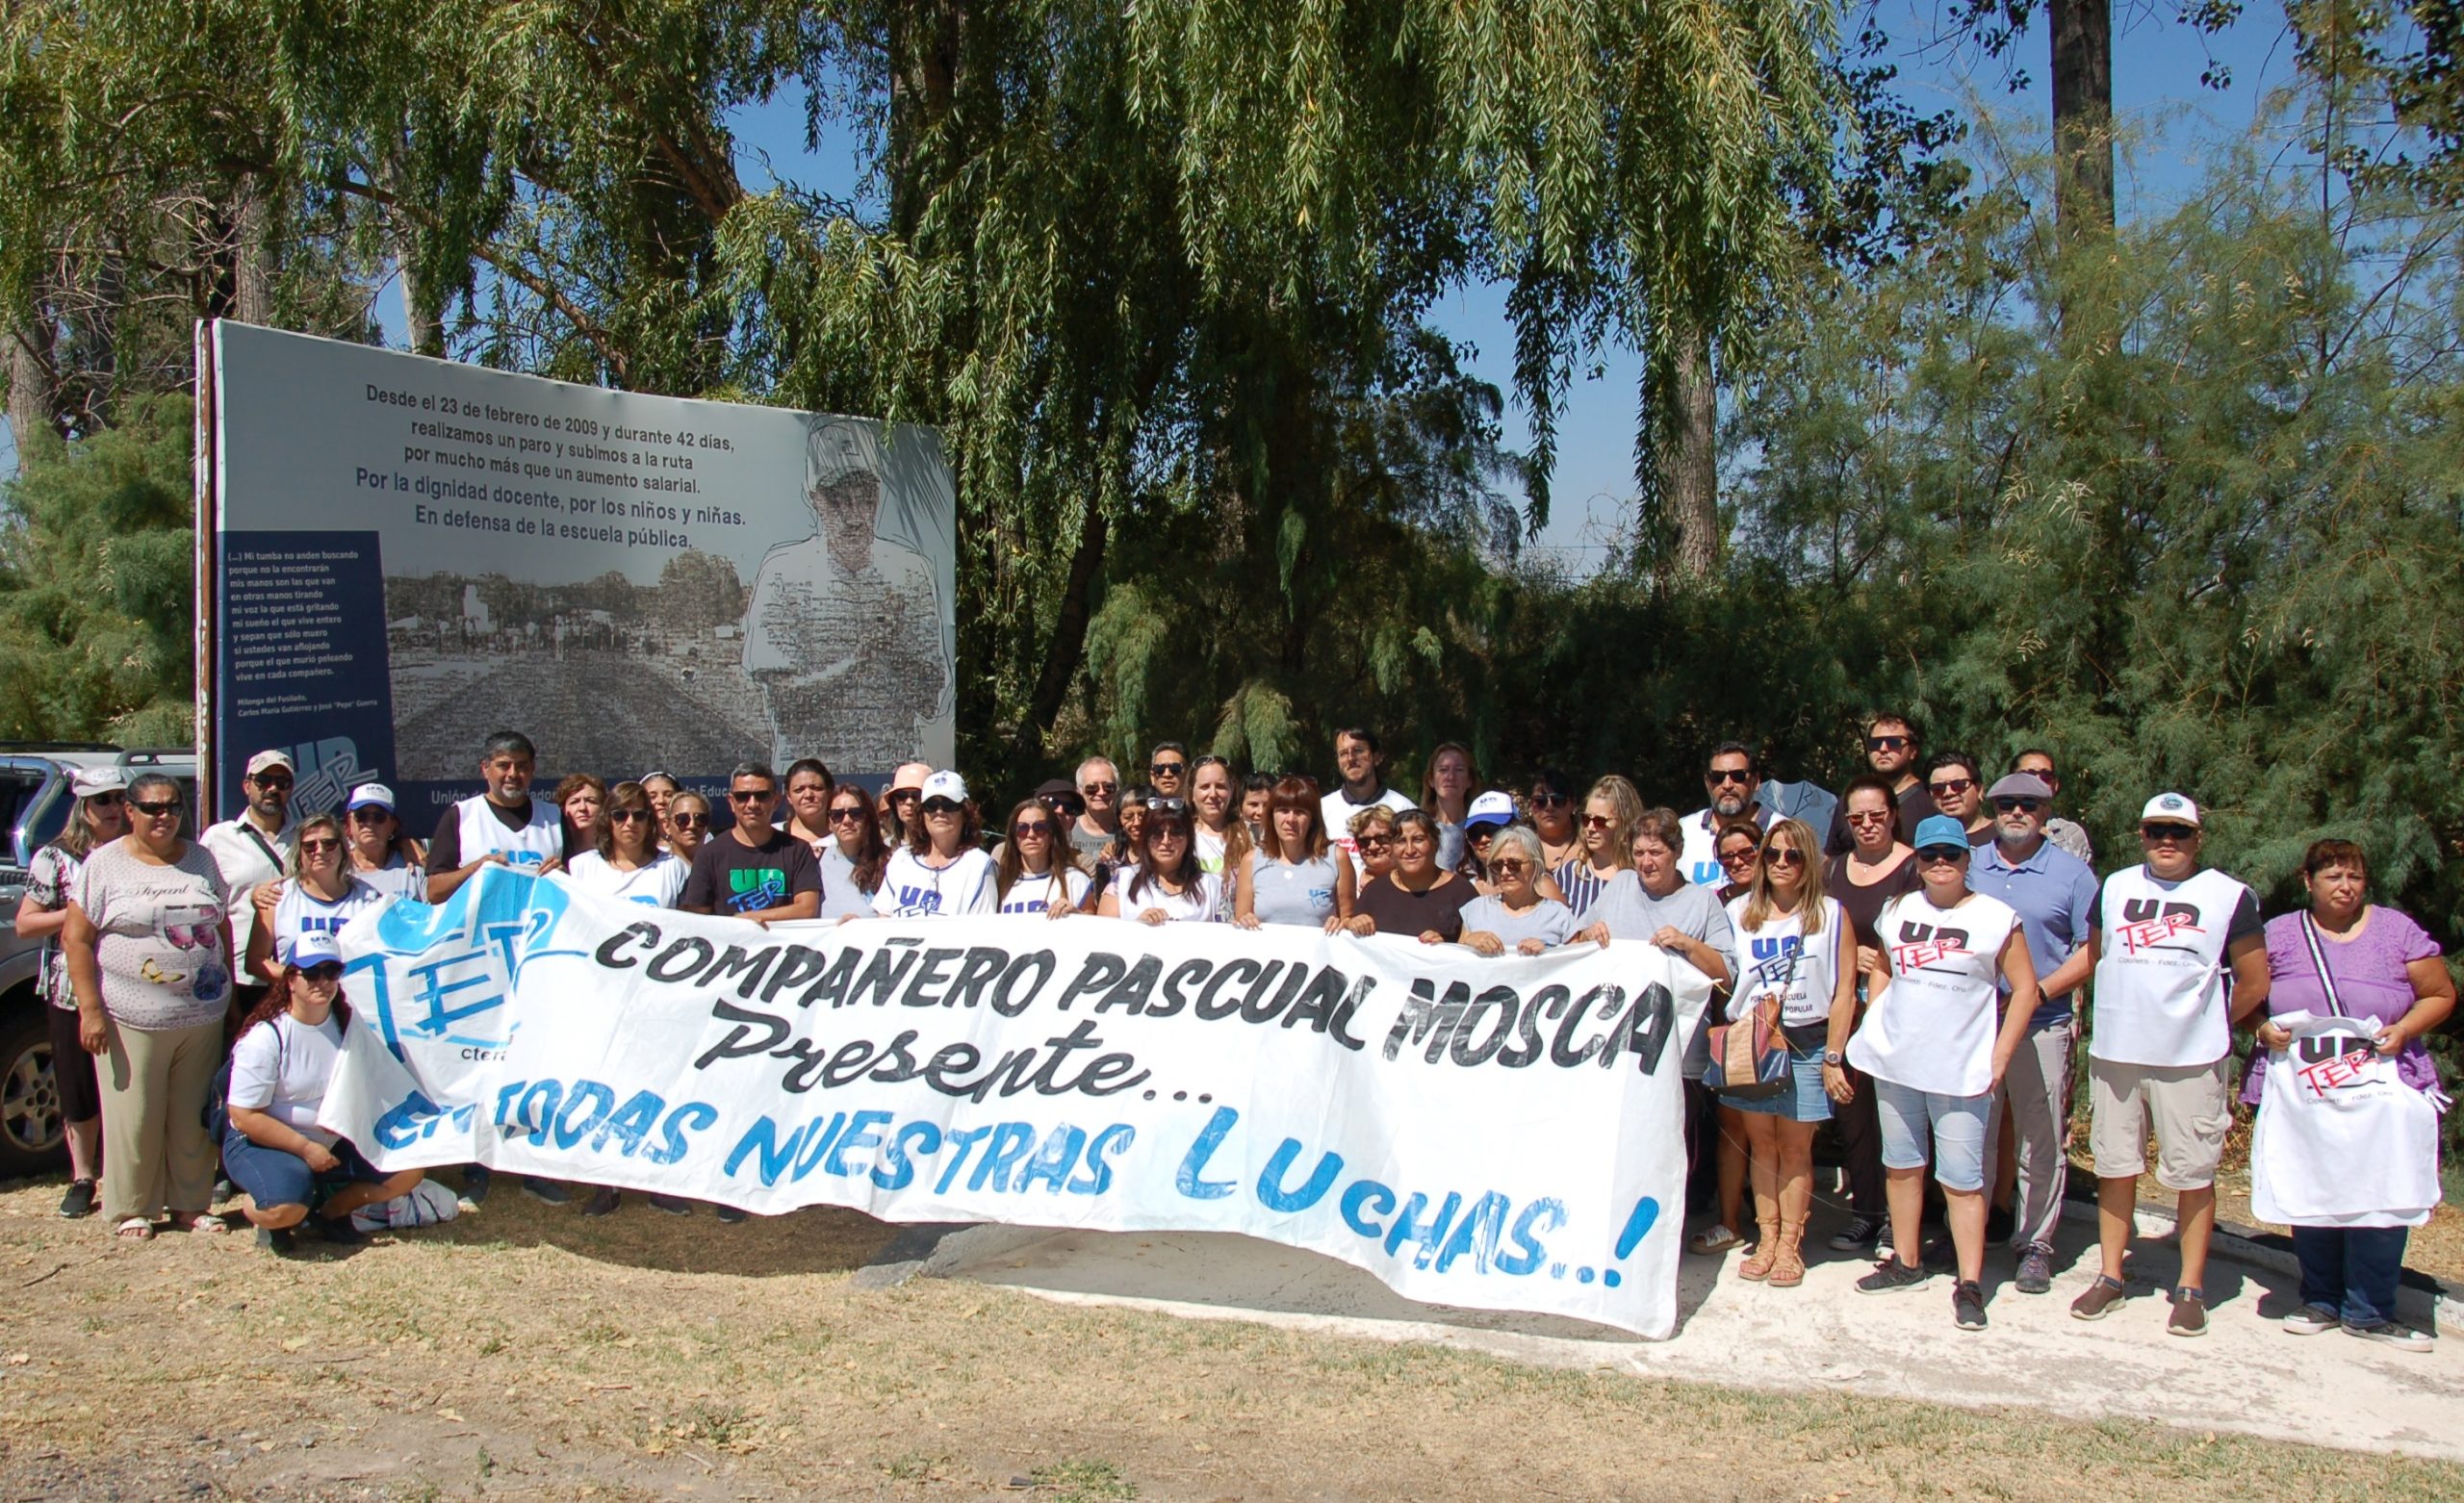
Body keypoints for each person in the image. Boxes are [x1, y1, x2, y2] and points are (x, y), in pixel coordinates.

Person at [2050, 793, 2268, 1337]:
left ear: (2198, 838)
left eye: (2179, 832)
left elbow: (2255, 980)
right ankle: (2110, 1275)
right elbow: (2098, 954)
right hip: (2118, 1054)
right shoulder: (2116, 887)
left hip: (2191, 1060)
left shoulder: (2228, 896)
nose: (2166, 842)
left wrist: (2207, 1025)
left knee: (2192, 1174)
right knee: (2115, 1167)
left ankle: (2190, 1287)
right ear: (2141, 835)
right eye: (2155, 831)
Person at [2246, 839, 2452, 1349]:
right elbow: (2243, 995)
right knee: (2313, 1183)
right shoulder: (2279, 934)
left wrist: (2404, 1029)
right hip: (2304, 1090)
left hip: (2381, 1088)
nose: (2345, 887)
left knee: (2381, 1190)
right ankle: (2319, 1298)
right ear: (2308, 881)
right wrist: (2259, 1027)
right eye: (2333, 876)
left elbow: (2441, 993)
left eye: (2355, 877)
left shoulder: (2397, 932)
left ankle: (2369, 1309)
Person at [1847, 815, 2040, 1332]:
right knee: (1903, 1165)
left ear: (1966, 860)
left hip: (1960, 1069)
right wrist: (1874, 1022)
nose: (1939, 864)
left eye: (1950, 855)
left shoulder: (1997, 917)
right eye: (1929, 855)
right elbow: (1885, 965)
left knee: (1961, 1179)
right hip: (1898, 1063)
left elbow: (2024, 988)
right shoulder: (1898, 909)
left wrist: (1999, 1056)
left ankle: (1970, 1284)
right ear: (1918, 860)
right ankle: (1906, 1262)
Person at [62, 771, 235, 1239]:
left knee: (192, 1115)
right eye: (153, 808)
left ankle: (190, 1204)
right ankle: (130, 1208)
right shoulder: (104, 865)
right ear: (131, 813)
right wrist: (90, 1009)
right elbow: (76, 939)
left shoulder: (201, 859)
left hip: (201, 1014)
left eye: (173, 806)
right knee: (133, 1115)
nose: (165, 816)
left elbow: (221, 925)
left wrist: (232, 991)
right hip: (129, 1017)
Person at [740, 418, 951, 768]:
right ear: (816, 499)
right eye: (840, 501)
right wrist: (860, 659)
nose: (855, 516)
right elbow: (785, 704)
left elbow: (930, 700)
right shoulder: (783, 572)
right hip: (810, 783)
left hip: (889, 778)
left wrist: (894, 647)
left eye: (866, 499)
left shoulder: (910, 572)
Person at [1580, 807, 1742, 1255]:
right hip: (1612, 1051)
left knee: (1671, 1151)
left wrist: (1688, 945)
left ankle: (1662, 1239)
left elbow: (1726, 976)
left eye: (1656, 852)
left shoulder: (1702, 902)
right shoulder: (1619, 887)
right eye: (1638, 852)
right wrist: (1586, 934)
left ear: (1677, 853)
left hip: (1677, 1057)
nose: (1647, 862)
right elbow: (1572, 946)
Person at [1965, 771, 2098, 1294]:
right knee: (1972, 1134)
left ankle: (2036, 1244)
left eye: (2028, 804)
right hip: (1975, 1026)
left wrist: (2038, 992)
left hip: (2043, 1024)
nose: (2015, 812)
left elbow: (2092, 949)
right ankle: (1969, 1242)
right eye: (2005, 804)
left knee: (2038, 1141)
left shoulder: (2072, 874)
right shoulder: (1969, 865)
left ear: (2045, 813)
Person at [222, 932, 425, 1253]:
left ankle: (330, 1212)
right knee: (284, 1206)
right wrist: (305, 1148)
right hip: (265, 1141)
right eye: (311, 973)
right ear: (290, 980)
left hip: (333, 1139)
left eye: (331, 972)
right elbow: (243, 1116)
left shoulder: (347, 1025)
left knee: (409, 1168)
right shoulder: (266, 1036)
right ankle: (266, 1212)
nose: (322, 981)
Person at [1718, 818, 1856, 1289]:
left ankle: (1790, 1246)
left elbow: (1844, 992)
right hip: (1754, 1042)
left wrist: (1834, 1054)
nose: (1781, 863)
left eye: (1792, 855)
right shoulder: (1738, 912)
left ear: (1808, 863)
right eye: (1772, 854)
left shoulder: (1831, 914)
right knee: (1762, 1145)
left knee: (1796, 1147)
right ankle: (1766, 1238)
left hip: (1807, 1040)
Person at [17, 766, 127, 1218]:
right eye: (104, 800)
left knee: (124, 1081)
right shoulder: (56, 858)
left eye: (121, 798)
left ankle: (125, 1172)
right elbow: (27, 922)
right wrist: (78, 916)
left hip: (130, 984)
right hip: (70, 988)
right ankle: (83, 1175)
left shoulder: (135, 854)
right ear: (83, 808)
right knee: (78, 1081)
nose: (115, 809)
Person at [1821, 774, 1920, 1256]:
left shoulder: (1916, 868)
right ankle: (1866, 1212)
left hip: (1901, 1010)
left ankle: (1905, 1223)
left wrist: (1880, 957)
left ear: (1893, 815)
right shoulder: (1834, 869)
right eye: (1856, 817)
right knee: (1853, 1114)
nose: (1866, 825)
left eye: (1876, 815)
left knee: (1897, 1117)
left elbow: (1928, 934)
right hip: (1846, 1008)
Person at [200, 749, 297, 1009]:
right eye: (263, 781)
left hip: (296, 976)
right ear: (247, 786)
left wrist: (402, 843)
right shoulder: (218, 838)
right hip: (241, 978)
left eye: (282, 783)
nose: (272, 789)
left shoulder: (309, 838)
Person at [244, 814, 390, 983]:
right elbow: (255, 961)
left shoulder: (368, 899)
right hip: (297, 1004)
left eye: (329, 844)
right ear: (299, 853)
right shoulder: (277, 897)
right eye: (309, 846)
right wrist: (300, 979)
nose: (319, 851)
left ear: (343, 850)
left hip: (355, 1004)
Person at [426, 731, 564, 902]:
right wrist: (474, 869)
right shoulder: (461, 815)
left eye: (522, 766)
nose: (513, 774)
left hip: (541, 924)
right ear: (485, 768)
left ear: (532, 770)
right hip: (482, 925)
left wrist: (564, 876)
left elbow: (583, 885)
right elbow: (434, 892)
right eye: (504, 765)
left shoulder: (555, 816)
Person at [680, 763, 822, 926]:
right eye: (743, 796)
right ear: (731, 802)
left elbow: (807, 909)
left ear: (775, 801)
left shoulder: (798, 850)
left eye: (762, 796)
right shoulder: (708, 854)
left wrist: (753, 918)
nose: (752, 804)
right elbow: (697, 921)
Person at [1234, 776, 1352, 932]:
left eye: (1300, 812)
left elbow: (1349, 921)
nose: (1291, 819)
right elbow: (1240, 924)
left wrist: (1343, 923)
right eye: (1283, 811)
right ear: (1271, 816)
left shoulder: (1337, 858)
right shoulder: (1251, 861)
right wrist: (1245, 920)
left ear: (1312, 819)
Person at [875, 772, 999, 918]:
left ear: (965, 813)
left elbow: (980, 932)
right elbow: (883, 919)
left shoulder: (980, 865)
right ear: (922, 814)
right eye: (931, 806)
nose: (939, 812)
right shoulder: (901, 859)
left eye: (949, 805)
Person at [1347, 808, 1475, 943]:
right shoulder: (1373, 892)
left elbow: (1479, 944)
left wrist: (1448, 945)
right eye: (1401, 841)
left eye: (1418, 840)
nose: (1409, 850)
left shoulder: (1462, 892)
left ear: (1434, 843)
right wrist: (1353, 924)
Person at [1099, 796, 1221, 924]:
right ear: (1145, 837)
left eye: (1175, 833)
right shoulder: (1122, 882)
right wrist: (1138, 926)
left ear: (1189, 837)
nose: (1166, 841)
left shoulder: (1213, 886)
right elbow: (1103, 936)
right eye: (1157, 834)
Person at [567, 781, 690, 907]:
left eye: (639, 815)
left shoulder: (673, 868)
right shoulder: (581, 867)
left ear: (649, 822)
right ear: (608, 820)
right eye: (620, 815)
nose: (630, 822)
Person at [1827, 713, 1935, 855]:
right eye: (1875, 743)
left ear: (1913, 751)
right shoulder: (1850, 801)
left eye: (1893, 743)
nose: (1883, 749)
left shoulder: (1930, 801)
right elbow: (1831, 857)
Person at [1457, 828, 1576, 955]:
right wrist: (1469, 940)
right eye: (1497, 866)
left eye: (1514, 864)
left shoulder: (1559, 915)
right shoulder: (1475, 910)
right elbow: (1455, 961)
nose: (1504, 872)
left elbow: (1576, 962)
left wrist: (1548, 950)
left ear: (1535, 865)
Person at [1321, 728, 1416, 865]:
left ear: (1377, 757)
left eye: (1358, 750)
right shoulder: (1321, 810)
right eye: (1343, 753)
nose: (1351, 758)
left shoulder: (1403, 809)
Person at [1552, 775, 1641, 920]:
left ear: (1624, 824)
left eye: (1600, 821)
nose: (1590, 828)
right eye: (1586, 819)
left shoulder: (1642, 878)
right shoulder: (1567, 875)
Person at [1681, 743, 1771, 888]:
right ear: (1707, 783)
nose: (1727, 784)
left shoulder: (1781, 832)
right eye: (1717, 777)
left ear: (1755, 781)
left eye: (1738, 776)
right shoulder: (1683, 831)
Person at [995, 798, 1091, 915]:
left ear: (1052, 834)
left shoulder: (1075, 880)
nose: (1031, 835)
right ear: (1013, 836)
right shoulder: (1000, 883)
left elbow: (1093, 928)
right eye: (1022, 828)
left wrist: (1076, 914)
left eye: (1040, 828)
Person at [817, 784, 890, 922]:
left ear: (868, 819)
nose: (847, 821)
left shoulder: (892, 861)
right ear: (829, 823)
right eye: (837, 815)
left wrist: (860, 927)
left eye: (856, 813)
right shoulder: (816, 862)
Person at [341, 784, 426, 901]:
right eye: (361, 816)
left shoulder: (413, 866)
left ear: (393, 825)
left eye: (379, 817)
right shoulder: (336, 868)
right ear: (349, 822)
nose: (369, 823)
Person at [2013, 749, 2094, 865]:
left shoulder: (2070, 834)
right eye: (2029, 775)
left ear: (2055, 785)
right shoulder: (1993, 832)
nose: (2038, 780)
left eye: (2046, 776)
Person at [1189, 755, 1251, 893]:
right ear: (1191, 793)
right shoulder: (1181, 837)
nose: (1213, 794)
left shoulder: (1249, 835)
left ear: (1231, 790)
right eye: (1205, 787)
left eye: (1220, 786)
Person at [1421, 742, 1477, 872]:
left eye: (1459, 770)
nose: (1451, 777)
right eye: (1443, 770)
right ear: (1430, 780)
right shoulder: (1419, 828)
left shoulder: (1480, 828)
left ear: (1470, 780)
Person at [1923, 752, 1991, 843]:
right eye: (1938, 788)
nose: (1948, 793)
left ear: (1979, 790)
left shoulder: (2003, 839)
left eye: (1958, 785)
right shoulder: (1926, 846)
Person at [779, 758, 837, 858]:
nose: (808, 795)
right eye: (799, 790)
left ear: (829, 791)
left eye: (816, 788)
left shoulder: (845, 837)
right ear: (789, 797)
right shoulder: (772, 835)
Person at [1459, 790, 1518, 890]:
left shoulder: (1535, 882)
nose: (1483, 839)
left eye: (1492, 830)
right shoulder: (1465, 889)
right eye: (1475, 833)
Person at [1070, 757, 1122, 864]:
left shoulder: (1131, 830)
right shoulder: (1067, 832)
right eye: (1092, 788)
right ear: (1079, 791)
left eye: (1108, 787)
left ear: (1117, 789)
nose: (1101, 792)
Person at [1527, 768, 1580, 872]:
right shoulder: (1521, 848)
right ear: (1531, 806)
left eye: (1558, 800)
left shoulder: (1591, 846)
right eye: (1540, 801)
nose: (1549, 807)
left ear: (1573, 803)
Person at [554, 773, 606, 862]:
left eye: (591, 801)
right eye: (575, 802)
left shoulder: (614, 854)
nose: (582, 808)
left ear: (602, 808)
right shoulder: (554, 851)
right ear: (563, 809)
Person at [883, 762, 932, 848]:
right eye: (901, 796)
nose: (909, 802)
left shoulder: (940, 848)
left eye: (917, 795)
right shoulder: (885, 848)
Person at [1713, 821, 1762, 903]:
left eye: (1746, 852)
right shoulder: (1713, 902)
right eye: (1727, 857)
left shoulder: (1783, 897)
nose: (1737, 862)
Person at [663, 791, 713, 869]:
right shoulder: (658, 870)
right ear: (667, 826)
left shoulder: (718, 866)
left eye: (700, 819)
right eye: (682, 819)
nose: (692, 825)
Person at [1239, 773, 1275, 847]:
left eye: (1267, 805)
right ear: (1240, 806)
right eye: (1253, 805)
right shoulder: (1229, 837)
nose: (1260, 812)